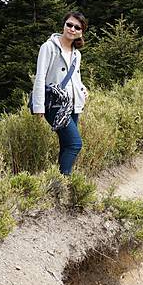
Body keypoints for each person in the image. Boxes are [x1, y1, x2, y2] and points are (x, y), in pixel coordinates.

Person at [31, 12, 89, 176]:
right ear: (63, 25)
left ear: (81, 32)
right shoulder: (48, 47)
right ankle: (64, 181)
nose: (72, 29)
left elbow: (75, 78)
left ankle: (59, 182)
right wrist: (38, 106)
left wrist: (83, 88)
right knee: (75, 144)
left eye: (76, 27)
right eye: (69, 25)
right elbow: (40, 77)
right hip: (55, 104)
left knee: (66, 144)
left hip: (73, 104)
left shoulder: (77, 54)